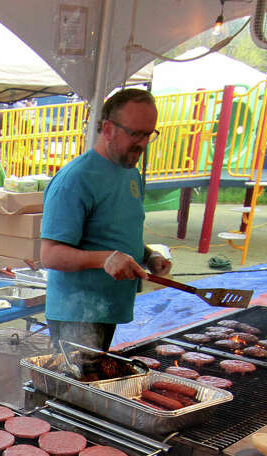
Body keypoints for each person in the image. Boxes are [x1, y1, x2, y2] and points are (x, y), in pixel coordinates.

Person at [39, 88, 173, 352]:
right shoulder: (75, 180)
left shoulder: (130, 173)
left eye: (149, 134)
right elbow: (50, 255)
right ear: (108, 129)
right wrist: (106, 259)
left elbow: (114, 232)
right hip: (77, 313)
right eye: (135, 134)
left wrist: (147, 256)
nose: (143, 143)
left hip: (109, 307)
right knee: (73, 390)